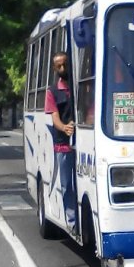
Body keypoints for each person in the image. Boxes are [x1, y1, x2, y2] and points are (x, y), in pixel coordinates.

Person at [45, 51, 78, 236]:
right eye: (59, 66)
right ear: (54, 68)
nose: (63, 68)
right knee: (67, 186)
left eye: (65, 64)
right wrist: (64, 127)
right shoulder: (52, 91)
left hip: (82, 144)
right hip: (62, 145)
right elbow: (55, 118)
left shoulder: (79, 85)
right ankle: (72, 223)